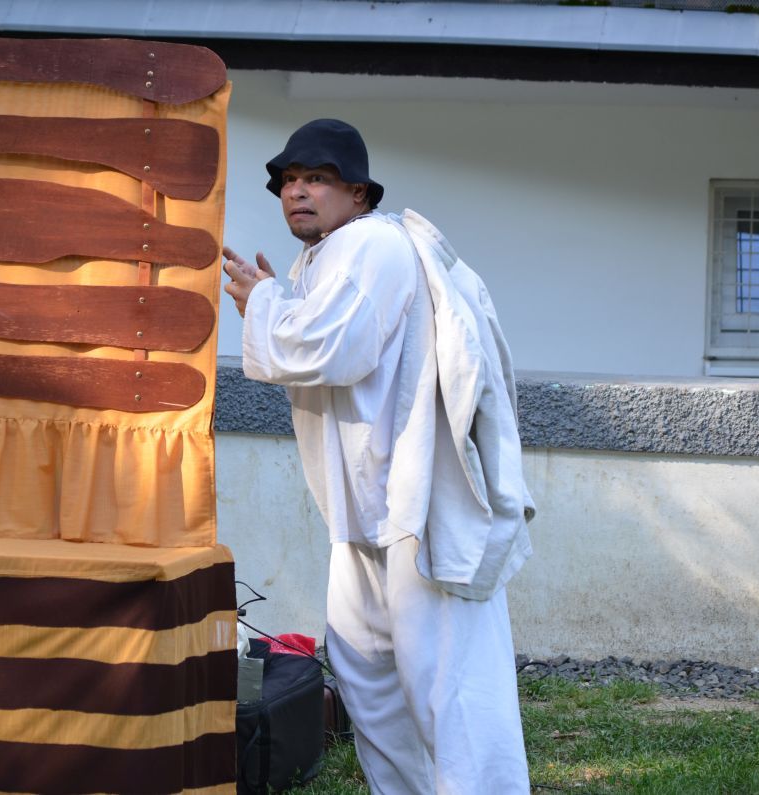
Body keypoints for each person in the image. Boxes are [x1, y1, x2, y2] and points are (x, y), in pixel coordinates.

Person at [223, 119, 536, 794]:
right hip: (368, 514)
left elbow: (334, 349)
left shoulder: (371, 242)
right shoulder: (327, 257)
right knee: (369, 680)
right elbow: (323, 345)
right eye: (289, 180)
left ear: (359, 192)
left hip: (417, 510)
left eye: (317, 179)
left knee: (450, 690)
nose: (296, 192)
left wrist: (263, 303)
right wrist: (277, 302)